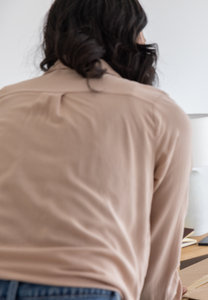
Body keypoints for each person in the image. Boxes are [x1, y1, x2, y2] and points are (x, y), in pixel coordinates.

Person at [0, 0, 191, 299]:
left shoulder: (5, 101)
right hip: (84, 284)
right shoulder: (158, 112)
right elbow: (160, 258)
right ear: (128, 36)